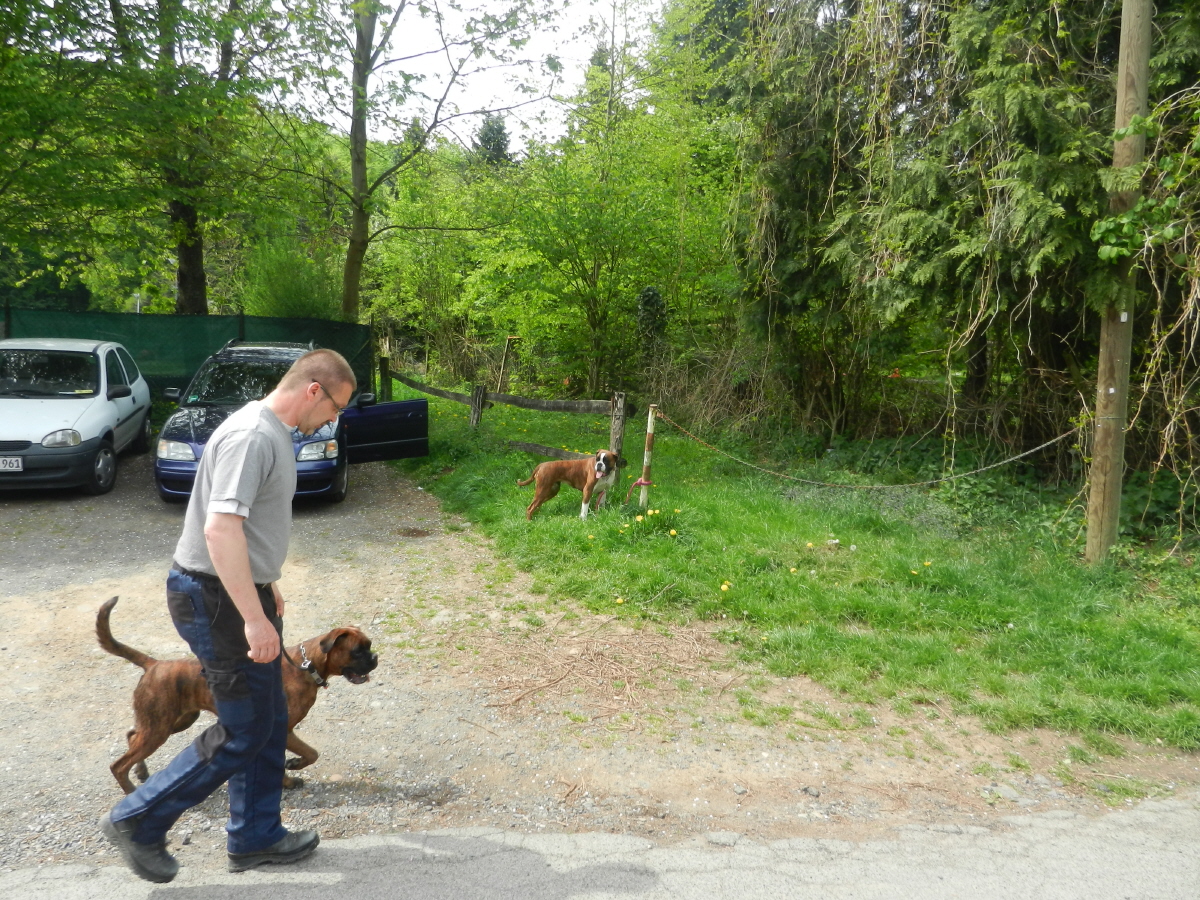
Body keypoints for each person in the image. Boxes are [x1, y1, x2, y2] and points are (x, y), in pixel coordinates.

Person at [100, 349, 357, 883]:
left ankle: (255, 835)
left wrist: (266, 582)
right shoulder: (252, 436)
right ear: (314, 389)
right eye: (336, 407)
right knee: (244, 727)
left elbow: (247, 524)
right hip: (216, 598)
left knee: (269, 720)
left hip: (239, 591)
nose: (334, 419)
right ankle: (137, 818)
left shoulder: (272, 432)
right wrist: (253, 617)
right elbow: (219, 531)